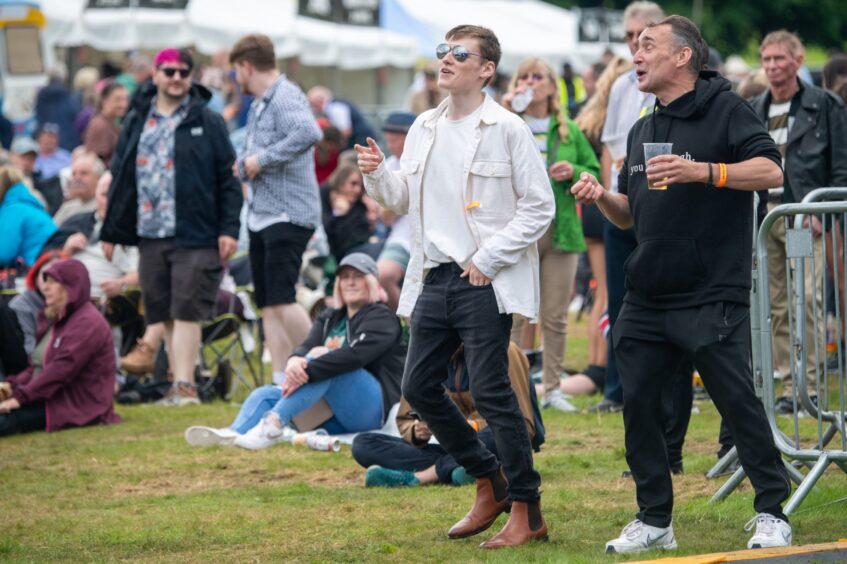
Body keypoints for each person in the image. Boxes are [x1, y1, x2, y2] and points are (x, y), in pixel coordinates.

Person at [571, 15, 792, 553]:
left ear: (683, 57)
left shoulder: (727, 108)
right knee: (640, 405)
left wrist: (706, 171)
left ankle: (772, 511)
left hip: (711, 288)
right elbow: (631, 216)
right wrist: (602, 195)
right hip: (649, 292)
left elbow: (771, 172)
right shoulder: (643, 126)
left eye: (648, 46)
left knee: (736, 402)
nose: (636, 55)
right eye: (635, 46)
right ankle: (654, 519)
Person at [357, 25, 554, 548]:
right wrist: (377, 174)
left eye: (459, 53)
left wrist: (488, 258)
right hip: (433, 276)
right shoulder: (423, 125)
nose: (446, 59)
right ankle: (489, 480)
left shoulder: (507, 128)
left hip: (482, 278)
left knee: (491, 388)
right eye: (443, 50)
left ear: (486, 69)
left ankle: (527, 508)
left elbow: (541, 207)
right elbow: (403, 199)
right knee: (419, 387)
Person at [101, 47, 242, 406]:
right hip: (149, 231)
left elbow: (229, 178)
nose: (176, 78)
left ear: (191, 76)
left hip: (197, 232)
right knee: (162, 310)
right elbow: (120, 177)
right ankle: (178, 382)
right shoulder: (137, 117)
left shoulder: (207, 120)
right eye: (169, 71)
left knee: (187, 309)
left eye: (183, 72)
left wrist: (228, 229)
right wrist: (111, 232)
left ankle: (185, 386)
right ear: (156, 75)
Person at [185, 253, 403, 449]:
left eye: (358, 276)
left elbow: (354, 357)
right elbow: (305, 347)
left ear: (373, 282)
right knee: (266, 394)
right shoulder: (330, 317)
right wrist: (294, 362)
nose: (350, 282)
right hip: (331, 412)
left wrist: (306, 367)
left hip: (372, 410)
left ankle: (273, 424)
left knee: (325, 359)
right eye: (345, 277)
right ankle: (232, 434)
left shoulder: (382, 317)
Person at [749, 32, 847, 414]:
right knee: (776, 305)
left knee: (806, 298)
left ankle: (811, 387)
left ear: (798, 60)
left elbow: (840, 166)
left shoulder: (824, 104)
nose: (772, 65)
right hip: (766, 218)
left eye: (779, 58)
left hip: (803, 218)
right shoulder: (756, 106)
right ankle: (790, 387)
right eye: (766, 59)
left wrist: (823, 209)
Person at [501, 58, 600, 413]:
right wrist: (506, 108)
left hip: (561, 230)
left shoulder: (568, 130)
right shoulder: (506, 123)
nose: (530, 82)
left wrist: (573, 169)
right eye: (524, 76)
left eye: (537, 76)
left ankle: (553, 388)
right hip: (517, 230)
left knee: (555, 315)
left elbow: (593, 169)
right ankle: (509, 388)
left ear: (551, 85)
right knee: (513, 314)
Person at [229, 34, 322, 390]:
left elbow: (307, 132)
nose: (236, 79)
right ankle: (280, 383)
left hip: (288, 213)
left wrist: (259, 161)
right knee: (268, 303)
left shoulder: (284, 95)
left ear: (245, 66)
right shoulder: (260, 103)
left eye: (236, 70)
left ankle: (325, 361)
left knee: (283, 300)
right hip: (263, 214)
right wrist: (242, 165)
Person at [591, 1, 664, 415]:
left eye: (644, 35)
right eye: (628, 37)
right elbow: (610, 147)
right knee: (617, 298)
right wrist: (607, 194)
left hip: (660, 204)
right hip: (623, 197)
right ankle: (616, 389)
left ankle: (666, 389)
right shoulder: (622, 86)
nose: (635, 44)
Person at [353, 342, 537, 488]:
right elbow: (405, 417)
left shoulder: (504, 349)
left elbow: (522, 425)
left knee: (501, 433)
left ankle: (422, 476)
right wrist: (417, 431)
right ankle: (466, 469)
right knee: (363, 444)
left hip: (491, 441)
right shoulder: (425, 355)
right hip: (450, 447)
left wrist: (464, 426)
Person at [570, 57, 634, 395]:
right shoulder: (621, 115)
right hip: (609, 199)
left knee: (601, 293)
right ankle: (603, 367)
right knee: (611, 293)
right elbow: (613, 162)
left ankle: (598, 364)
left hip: (593, 205)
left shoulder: (588, 117)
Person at [0, 259, 120, 436]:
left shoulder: (88, 322)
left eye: (53, 282)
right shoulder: (60, 320)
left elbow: (60, 371)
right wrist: (10, 385)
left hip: (70, 405)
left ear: (71, 286)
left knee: (5, 421)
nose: (45, 287)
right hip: (46, 396)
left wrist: (20, 398)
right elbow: (36, 367)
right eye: (45, 281)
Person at [375, 112, 416, 311]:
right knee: (382, 275)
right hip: (403, 238)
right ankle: (406, 324)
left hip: (433, 238)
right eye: (389, 141)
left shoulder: (429, 160)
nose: (391, 146)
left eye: (395, 141)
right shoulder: (389, 165)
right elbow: (386, 218)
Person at [8, 250, 67, 357]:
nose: (48, 283)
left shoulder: (74, 305)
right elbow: (28, 351)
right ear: (35, 277)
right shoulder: (19, 307)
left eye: (57, 277)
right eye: (45, 276)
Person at [0, 166, 56, 268]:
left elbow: (3, 254)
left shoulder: (13, 209)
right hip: (49, 265)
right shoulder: (27, 205)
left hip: (35, 268)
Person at [322, 163, 379, 261]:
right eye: (353, 184)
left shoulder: (360, 205)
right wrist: (339, 214)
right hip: (342, 255)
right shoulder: (326, 199)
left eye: (361, 186)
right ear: (341, 183)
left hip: (362, 249)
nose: (357, 190)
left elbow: (365, 234)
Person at [34, 63, 80, 151]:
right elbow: (74, 114)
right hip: (66, 139)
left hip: (45, 138)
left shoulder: (42, 95)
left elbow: (38, 115)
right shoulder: (67, 94)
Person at [83, 81, 129, 167]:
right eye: (117, 100)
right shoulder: (100, 125)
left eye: (125, 99)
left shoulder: (112, 123)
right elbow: (95, 162)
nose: (123, 104)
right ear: (104, 100)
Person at [52, 153, 104, 227]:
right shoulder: (67, 208)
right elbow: (51, 234)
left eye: (84, 173)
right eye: (74, 174)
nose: (77, 178)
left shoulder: (103, 206)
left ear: (99, 178)